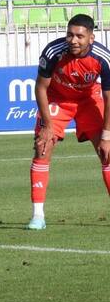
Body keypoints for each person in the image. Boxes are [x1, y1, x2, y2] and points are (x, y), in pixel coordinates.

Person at [28, 14, 110, 231]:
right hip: (58, 99)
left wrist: (106, 136)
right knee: (42, 149)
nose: (73, 40)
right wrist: (47, 126)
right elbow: (40, 87)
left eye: (79, 36)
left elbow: (109, 97)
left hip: (88, 100)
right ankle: (38, 216)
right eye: (70, 35)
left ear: (91, 38)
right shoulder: (53, 52)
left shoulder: (103, 58)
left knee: (107, 153)